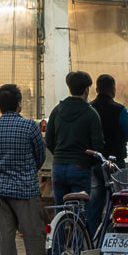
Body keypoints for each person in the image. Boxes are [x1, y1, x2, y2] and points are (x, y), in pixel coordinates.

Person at [0, 83, 49, 255]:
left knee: (6, 234)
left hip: (1, 188)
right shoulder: (29, 126)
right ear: (19, 104)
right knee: (32, 233)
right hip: (25, 188)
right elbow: (40, 156)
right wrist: (29, 170)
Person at [45, 71, 104, 214]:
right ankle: (77, 235)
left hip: (58, 167)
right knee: (80, 212)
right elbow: (98, 145)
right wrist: (90, 162)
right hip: (80, 167)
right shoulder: (91, 113)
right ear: (86, 89)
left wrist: (59, 154)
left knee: (60, 210)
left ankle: (58, 236)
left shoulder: (57, 111)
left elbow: (49, 140)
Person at [87, 74, 128, 233]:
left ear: (97, 89)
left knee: (94, 205)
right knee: (119, 203)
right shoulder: (120, 109)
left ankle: (93, 240)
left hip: (95, 162)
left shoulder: (89, 108)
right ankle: (116, 236)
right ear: (113, 90)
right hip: (116, 162)